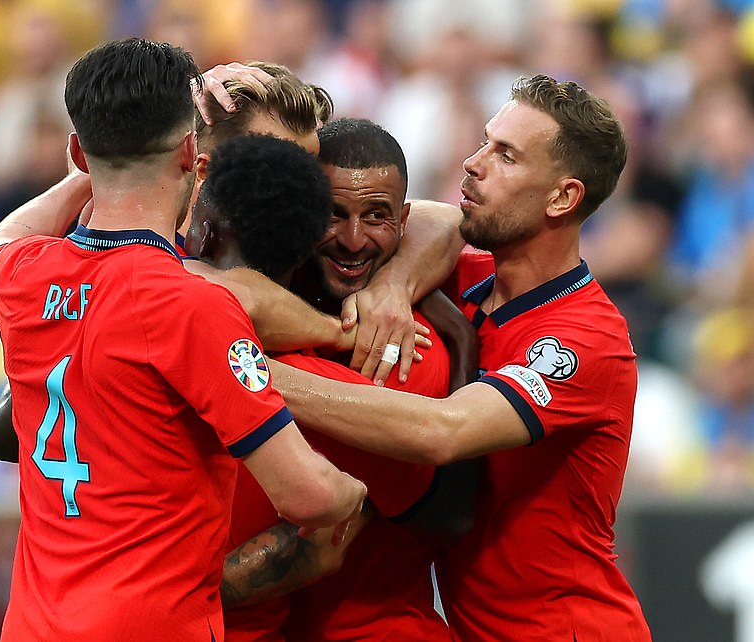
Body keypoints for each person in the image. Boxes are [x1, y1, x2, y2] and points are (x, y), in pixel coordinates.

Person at [0, 38, 365, 642]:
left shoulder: (24, 276)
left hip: (33, 626)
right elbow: (311, 496)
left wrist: (94, 172)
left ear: (77, 149)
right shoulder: (195, 306)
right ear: (194, 155)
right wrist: (352, 493)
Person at [268, 75, 652, 641]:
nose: (474, 163)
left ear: (562, 197)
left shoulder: (587, 339)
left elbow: (443, 431)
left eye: (506, 156)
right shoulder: (464, 282)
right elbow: (429, 217)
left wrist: (245, 369)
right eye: (484, 142)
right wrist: (396, 282)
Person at [205, 119, 474, 642]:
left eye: (377, 216)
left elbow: (314, 549)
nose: (353, 240)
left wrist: (239, 371)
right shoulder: (260, 304)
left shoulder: (402, 350)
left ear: (403, 219)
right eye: (333, 214)